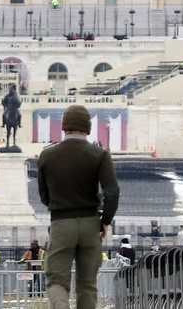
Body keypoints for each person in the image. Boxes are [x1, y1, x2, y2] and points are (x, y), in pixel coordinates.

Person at [36, 104, 120, 309]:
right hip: (91, 224)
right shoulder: (100, 155)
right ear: (87, 128)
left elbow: (43, 194)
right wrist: (105, 220)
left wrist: (57, 205)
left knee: (57, 281)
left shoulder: (47, 155)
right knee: (88, 285)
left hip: (61, 224)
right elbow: (112, 192)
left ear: (64, 127)